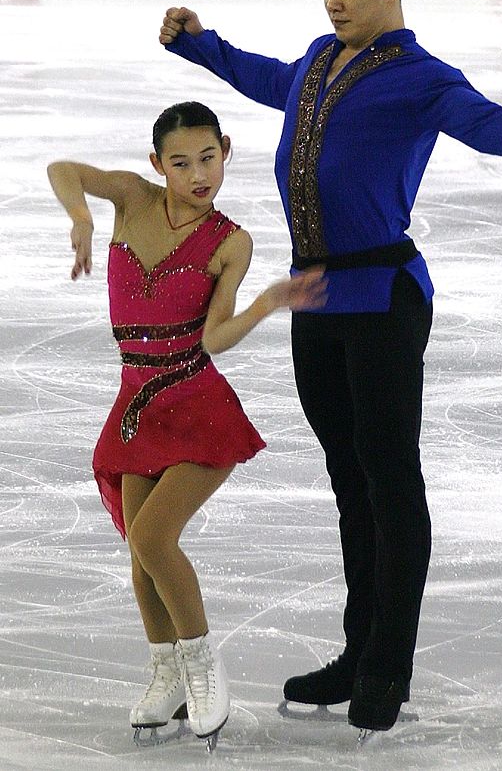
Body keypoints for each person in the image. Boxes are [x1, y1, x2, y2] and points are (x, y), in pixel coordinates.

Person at [157, 0, 502, 734]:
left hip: (383, 302)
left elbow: (486, 120)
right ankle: (358, 655)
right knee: (350, 483)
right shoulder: (321, 61)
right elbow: (268, 76)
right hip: (315, 303)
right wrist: (201, 45)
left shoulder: (420, 75)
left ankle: (388, 668)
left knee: (391, 484)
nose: (331, 4)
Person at [47, 101, 325, 748]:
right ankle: (166, 673)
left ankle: (202, 667)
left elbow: (217, 334)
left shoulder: (231, 241)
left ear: (226, 149)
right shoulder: (132, 200)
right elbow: (64, 170)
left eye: (208, 158)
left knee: (153, 538)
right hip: (136, 408)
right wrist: (83, 217)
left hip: (198, 409)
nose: (198, 174)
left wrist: (264, 303)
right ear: (157, 165)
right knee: (140, 557)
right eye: (181, 163)